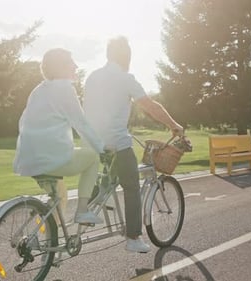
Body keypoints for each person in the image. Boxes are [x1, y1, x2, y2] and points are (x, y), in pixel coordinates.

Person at [83, 36, 184, 253]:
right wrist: (174, 125)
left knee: (106, 180)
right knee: (131, 186)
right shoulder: (126, 78)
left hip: (92, 141)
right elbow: (151, 106)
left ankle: (89, 205)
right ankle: (133, 237)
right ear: (126, 57)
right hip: (116, 141)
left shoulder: (92, 76)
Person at [13, 48, 105, 224]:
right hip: (52, 159)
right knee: (92, 157)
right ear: (59, 67)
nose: (76, 66)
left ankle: (51, 236)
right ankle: (82, 211)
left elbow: (23, 121)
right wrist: (101, 147)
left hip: (29, 160)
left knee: (58, 197)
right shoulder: (65, 89)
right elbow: (81, 124)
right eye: (71, 62)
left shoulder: (38, 90)